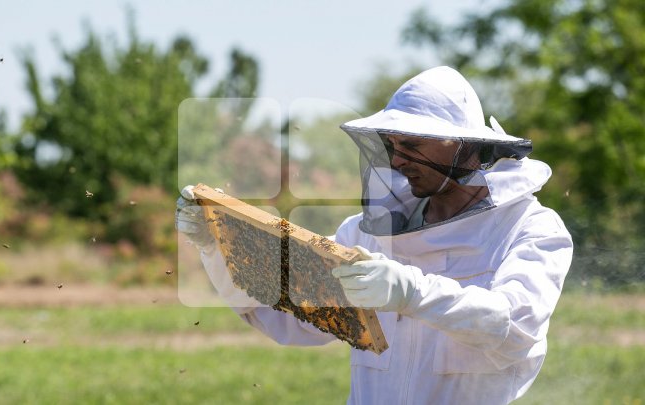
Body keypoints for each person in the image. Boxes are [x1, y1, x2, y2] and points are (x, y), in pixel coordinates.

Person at [176, 66, 573, 404]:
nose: (398, 160)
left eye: (413, 144)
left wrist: (411, 292)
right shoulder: (368, 234)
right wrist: (216, 246)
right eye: (393, 145)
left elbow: (515, 328)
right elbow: (285, 318)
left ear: (465, 147)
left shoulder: (530, 229)